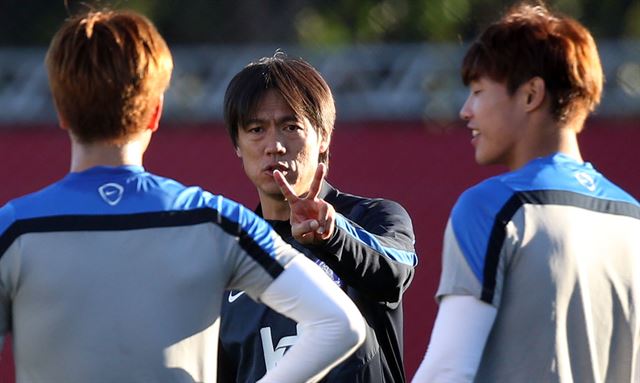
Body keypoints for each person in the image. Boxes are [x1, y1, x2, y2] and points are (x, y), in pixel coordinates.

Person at [0, 10, 367, 383]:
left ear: (61, 112)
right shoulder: (214, 222)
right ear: (156, 112)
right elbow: (339, 324)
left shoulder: (13, 229)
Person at [412, 2, 640, 382]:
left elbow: (447, 371)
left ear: (532, 94)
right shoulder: (632, 217)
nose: (466, 110)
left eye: (479, 90)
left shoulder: (491, 207)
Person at [217, 53, 418, 383]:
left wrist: (332, 235)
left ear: (323, 137)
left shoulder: (373, 217)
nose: (274, 146)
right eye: (256, 129)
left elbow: (394, 273)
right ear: (237, 144)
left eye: (291, 126)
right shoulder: (228, 256)